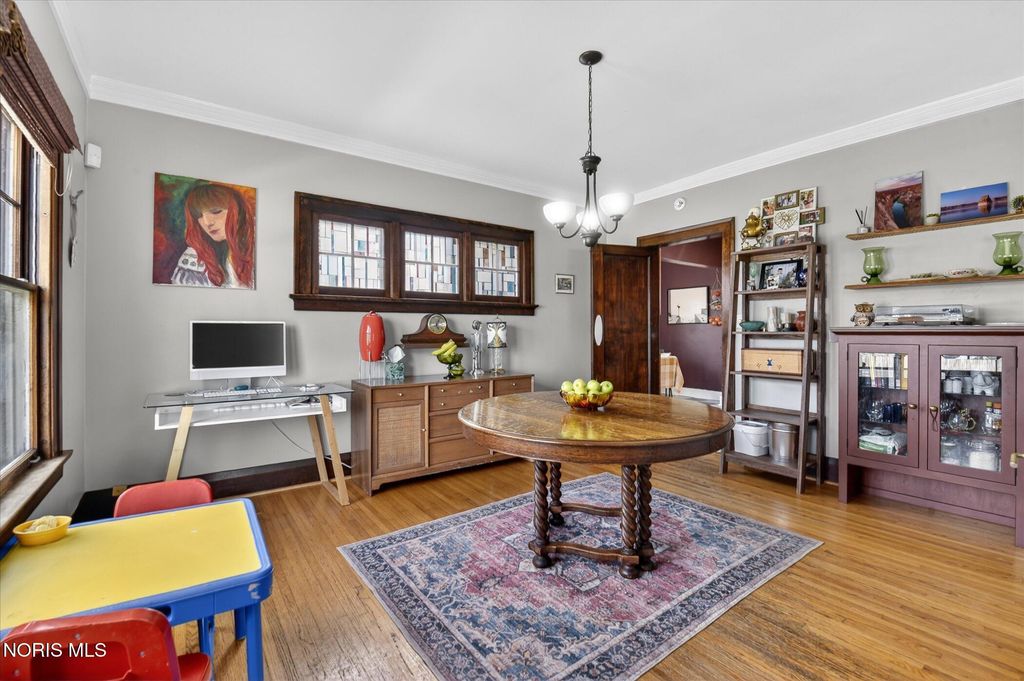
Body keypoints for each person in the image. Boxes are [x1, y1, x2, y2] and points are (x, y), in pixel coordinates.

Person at [171, 182, 254, 288]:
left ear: (238, 211)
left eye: (216, 211)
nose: (207, 222)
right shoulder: (194, 258)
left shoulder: (258, 244)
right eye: (198, 215)